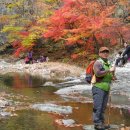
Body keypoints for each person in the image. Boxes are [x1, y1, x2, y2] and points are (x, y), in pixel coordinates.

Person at [92, 47, 116, 130]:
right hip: (98, 87)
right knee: (98, 106)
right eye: (103, 52)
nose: (105, 53)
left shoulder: (108, 63)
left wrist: (113, 77)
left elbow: (108, 75)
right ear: (99, 53)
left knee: (103, 107)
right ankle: (97, 124)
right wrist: (109, 70)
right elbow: (98, 73)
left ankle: (101, 123)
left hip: (106, 87)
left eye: (107, 52)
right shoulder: (98, 62)